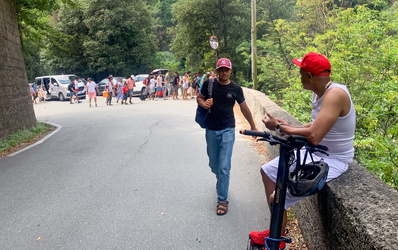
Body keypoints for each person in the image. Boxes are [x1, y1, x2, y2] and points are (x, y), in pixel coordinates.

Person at [249, 52, 356, 249]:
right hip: (315, 152)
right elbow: (315, 125)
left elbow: (314, 135)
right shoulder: (321, 93)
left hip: (332, 159)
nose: (299, 76)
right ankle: (277, 231)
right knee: (267, 172)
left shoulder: (335, 95)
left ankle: (276, 240)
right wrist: (286, 126)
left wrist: (280, 127)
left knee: (277, 198)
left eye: (300, 72)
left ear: (308, 75)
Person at [196, 58, 257, 216]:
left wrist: (253, 126)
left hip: (228, 130)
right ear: (217, 71)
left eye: (226, 69)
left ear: (230, 70)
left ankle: (222, 199)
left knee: (224, 166)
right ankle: (220, 180)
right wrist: (203, 104)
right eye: (220, 69)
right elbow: (199, 97)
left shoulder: (235, 88)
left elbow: (243, 107)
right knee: (213, 164)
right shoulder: (209, 84)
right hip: (211, 129)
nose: (223, 72)